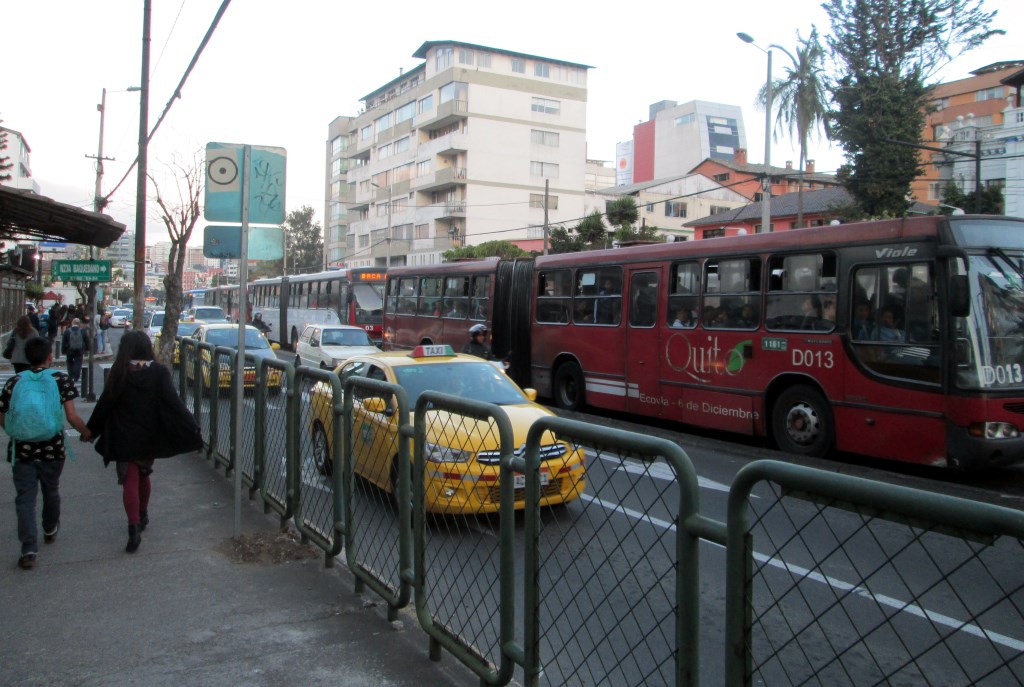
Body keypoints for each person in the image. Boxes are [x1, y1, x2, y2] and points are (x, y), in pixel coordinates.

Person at [85, 331, 203, 554]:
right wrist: (191, 427)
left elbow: (104, 406)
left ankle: (133, 525)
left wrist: (90, 431)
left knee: (128, 479)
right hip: (149, 434)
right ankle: (143, 514)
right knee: (143, 475)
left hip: (123, 435)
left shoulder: (119, 373)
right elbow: (174, 403)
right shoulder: (158, 372)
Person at [0, 336, 91, 570]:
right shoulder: (61, 380)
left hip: (22, 449)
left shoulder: (15, 382)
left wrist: (14, 430)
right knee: (51, 489)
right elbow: (71, 416)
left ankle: (28, 548)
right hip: (52, 448)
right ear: (50, 356)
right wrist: (86, 432)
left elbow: (2, 414)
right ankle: (50, 528)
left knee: (25, 498)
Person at [60, 318, 90, 384]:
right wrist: (87, 348)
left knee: (69, 362)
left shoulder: (67, 331)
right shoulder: (83, 331)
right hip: (79, 350)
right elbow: (86, 341)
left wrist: (63, 351)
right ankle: (76, 376)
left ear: (72, 323)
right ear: (79, 324)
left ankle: (71, 375)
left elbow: (64, 342)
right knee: (78, 362)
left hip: (69, 350)